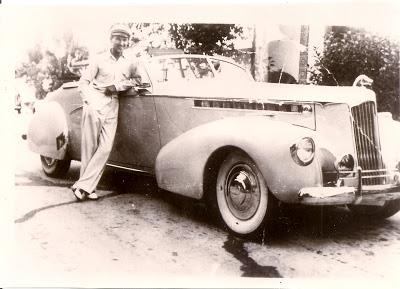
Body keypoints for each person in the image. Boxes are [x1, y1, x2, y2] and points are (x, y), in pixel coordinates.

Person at [72, 23, 142, 201]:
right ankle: (88, 188)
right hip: (95, 102)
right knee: (90, 147)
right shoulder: (99, 59)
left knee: (105, 148)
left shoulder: (131, 61)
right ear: (111, 40)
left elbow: (137, 80)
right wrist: (90, 102)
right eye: (118, 38)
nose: (122, 42)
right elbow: (83, 83)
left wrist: (118, 86)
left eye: (125, 39)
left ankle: (82, 186)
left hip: (113, 104)